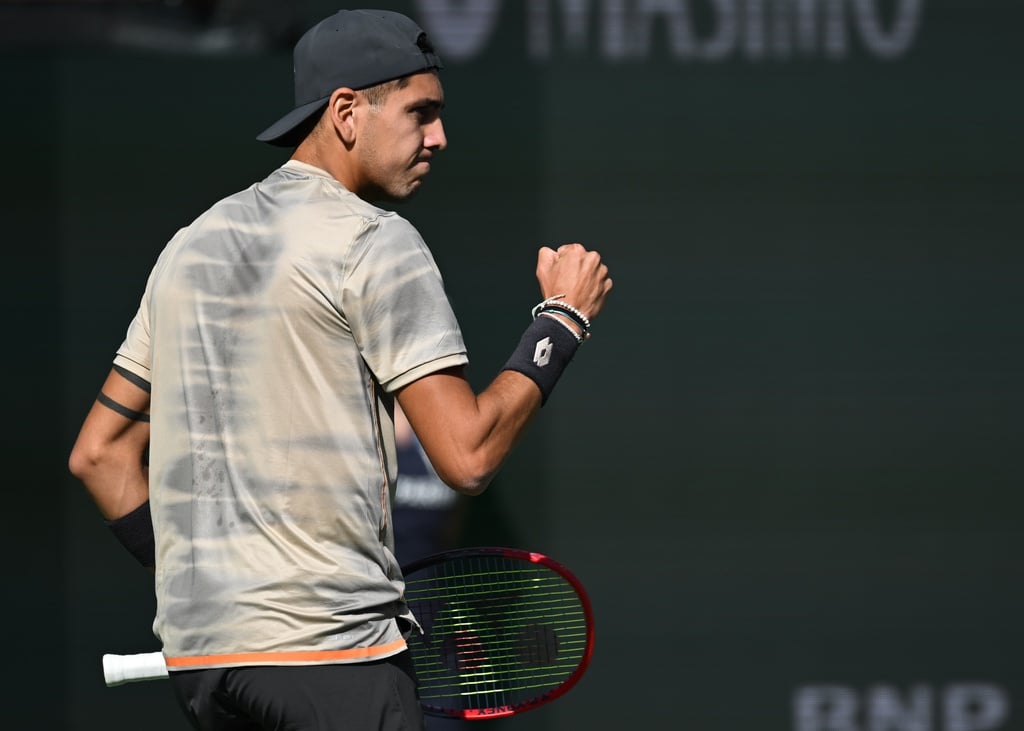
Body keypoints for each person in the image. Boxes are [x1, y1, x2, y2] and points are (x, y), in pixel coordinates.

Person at [68, 8, 612, 731]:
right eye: (422, 113)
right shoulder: (375, 242)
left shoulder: (188, 248)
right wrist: (560, 322)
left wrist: (201, 593)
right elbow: (468, 453)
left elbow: (98, 455)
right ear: (348, 113)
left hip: (205, 669)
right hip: (332, 663)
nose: (439, 137)